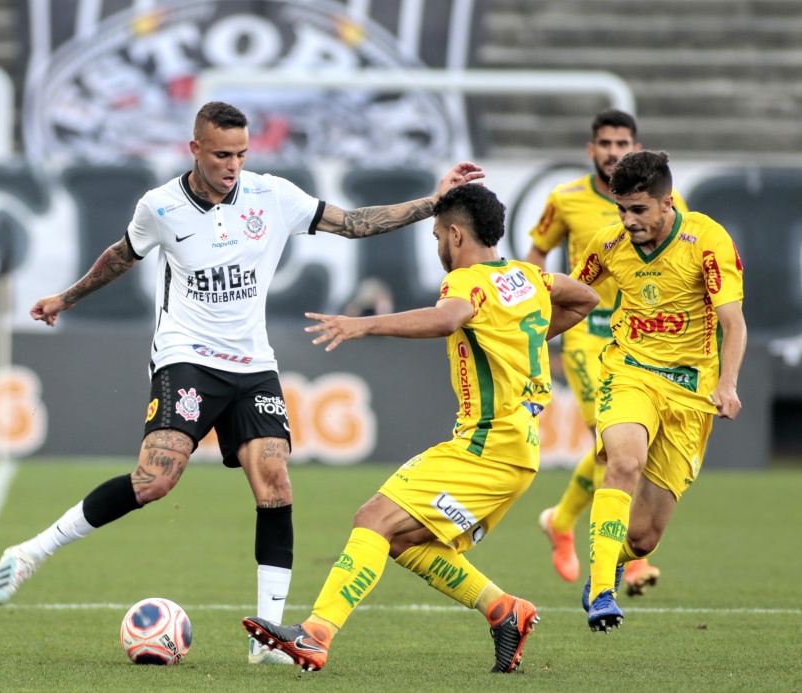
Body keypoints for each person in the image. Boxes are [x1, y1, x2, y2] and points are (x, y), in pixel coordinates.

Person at [0, 101, 485, 665]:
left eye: (242, 154)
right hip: (186, 357)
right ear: (194, 149)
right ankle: (32, 551)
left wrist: (433, 203)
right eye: (222, 155)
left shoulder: (272, 196)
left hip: (252, 363)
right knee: (154, 480)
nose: (234, 165)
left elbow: (353, 223)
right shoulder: (161, 206)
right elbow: (120, 257)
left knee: (275, 481)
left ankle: (265, 637)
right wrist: (64, 298)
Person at [242, 183, 599, 673]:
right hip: (514, 451)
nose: (436, 246)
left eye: (436, 235)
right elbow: (586, 297)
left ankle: (316, 634)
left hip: (487, 446)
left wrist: (362, 325)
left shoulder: (467, 281)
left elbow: (446, 320)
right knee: (406, 541)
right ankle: (504, 611)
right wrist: (523, 333)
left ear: (455, 234)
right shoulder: (526, 278)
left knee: (373, 520)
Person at [571, 150, 745, 631]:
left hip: (692, 391)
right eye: (620, 210)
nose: (627, 221)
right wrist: (529, 340)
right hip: (630, 370)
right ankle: (603, 588)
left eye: (638, 210)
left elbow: (733, 322)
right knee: (624, 461)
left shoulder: (706, 240)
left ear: (667, 203)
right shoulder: (608, 246)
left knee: (645, 538)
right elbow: (569, 295)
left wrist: (727, 383)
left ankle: (615, 560)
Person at [525, 109, 687, 595]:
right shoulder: (565, 199)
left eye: (623, 143)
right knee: (616, 440)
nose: (613, 151)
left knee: (617, 448)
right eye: (605, 143)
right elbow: (537, 255)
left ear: (633, 147)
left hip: (639, 338)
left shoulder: (658, 202)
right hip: (586, 331)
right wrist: (535, 316)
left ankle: (562, 519)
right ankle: (628, 560)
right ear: (591, 150)